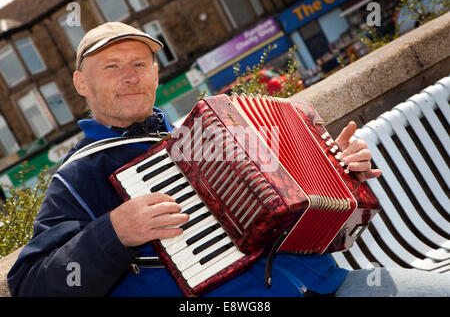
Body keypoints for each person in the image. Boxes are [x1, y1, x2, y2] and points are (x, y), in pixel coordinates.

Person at [7, 22, 449, 297]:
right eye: (112, 66)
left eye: (140, 64)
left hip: (324, 283)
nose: (130, 76)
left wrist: (337, 170)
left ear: (157, 74)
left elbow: (291, 203)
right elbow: (30, 285)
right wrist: (114, 232)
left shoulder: (204, 132)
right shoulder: (76, 178)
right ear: (81, 83)